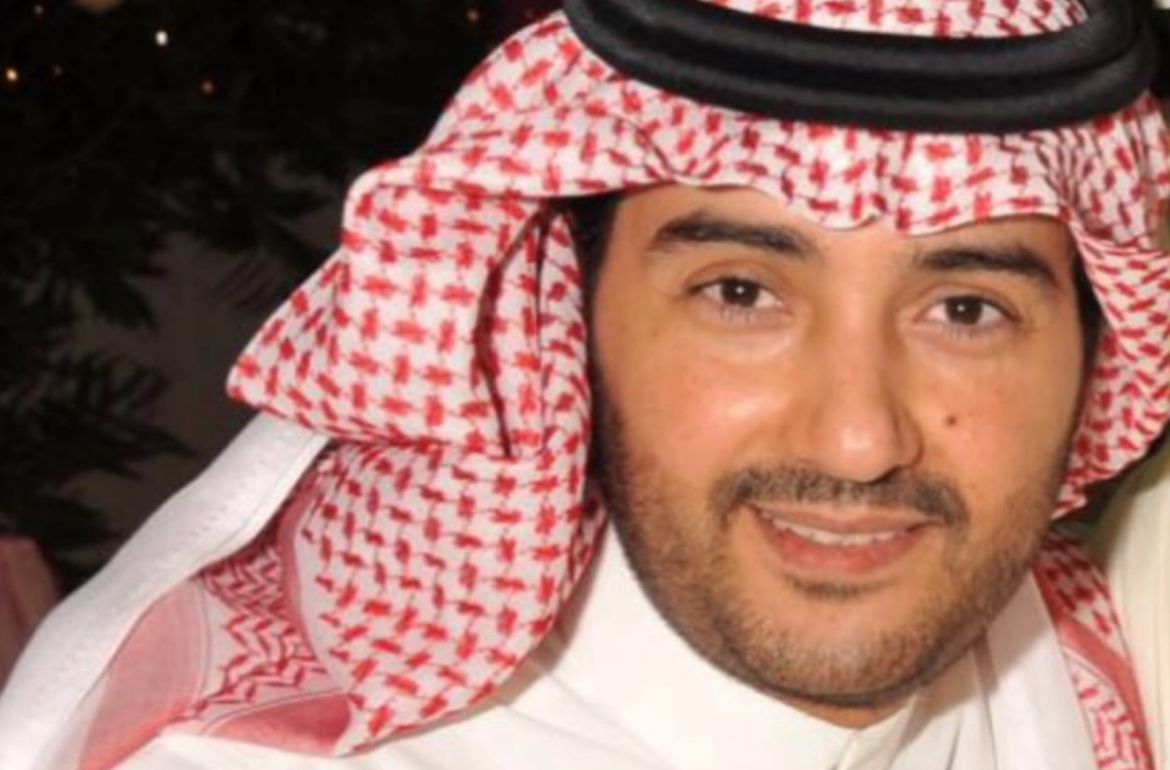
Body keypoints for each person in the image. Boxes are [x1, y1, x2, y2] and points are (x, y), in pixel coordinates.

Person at [2, 0, 1169, 768]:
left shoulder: (1091, 675)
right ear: (570, 314)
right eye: (740, 293)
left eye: (966, 309)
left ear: (1093, 349)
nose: (859, 438)